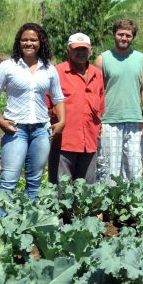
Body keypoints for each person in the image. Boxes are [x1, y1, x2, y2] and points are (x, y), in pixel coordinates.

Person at [0, 23, 65, 199]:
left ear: (41, 42)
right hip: (15, 129)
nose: (28, 43)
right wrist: (0, 121)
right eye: (24, 40)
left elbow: (58, 97)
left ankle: (30, 224)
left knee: (35, 182)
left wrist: (62, 121)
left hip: (41, 131)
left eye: (33, 40)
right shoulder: (8, 66)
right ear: (18, 42)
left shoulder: (49, 68)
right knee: (9, 181)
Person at [94, 18, 143, 181]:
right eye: (121, 34)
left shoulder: (141, 59)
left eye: (128, 35)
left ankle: (129, 205)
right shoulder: (102, 59)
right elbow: (96, 92)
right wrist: (97, 119)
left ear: (133, 37)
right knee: (107, 170)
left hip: (134, 120)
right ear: (114, 35)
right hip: (109, 120)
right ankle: (106, 205)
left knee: (133, 169)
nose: (124, 38)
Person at [47, 33, 104, 186]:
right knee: (60, 190)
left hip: (89, 142)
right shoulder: (57, 72)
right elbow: (45, 103)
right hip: (64, 141)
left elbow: (100, 106)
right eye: (76, 49)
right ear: (68, 51)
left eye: (84, 49)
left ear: (90, 51)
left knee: (87, 191)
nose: (81, 53)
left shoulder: (96, 74)